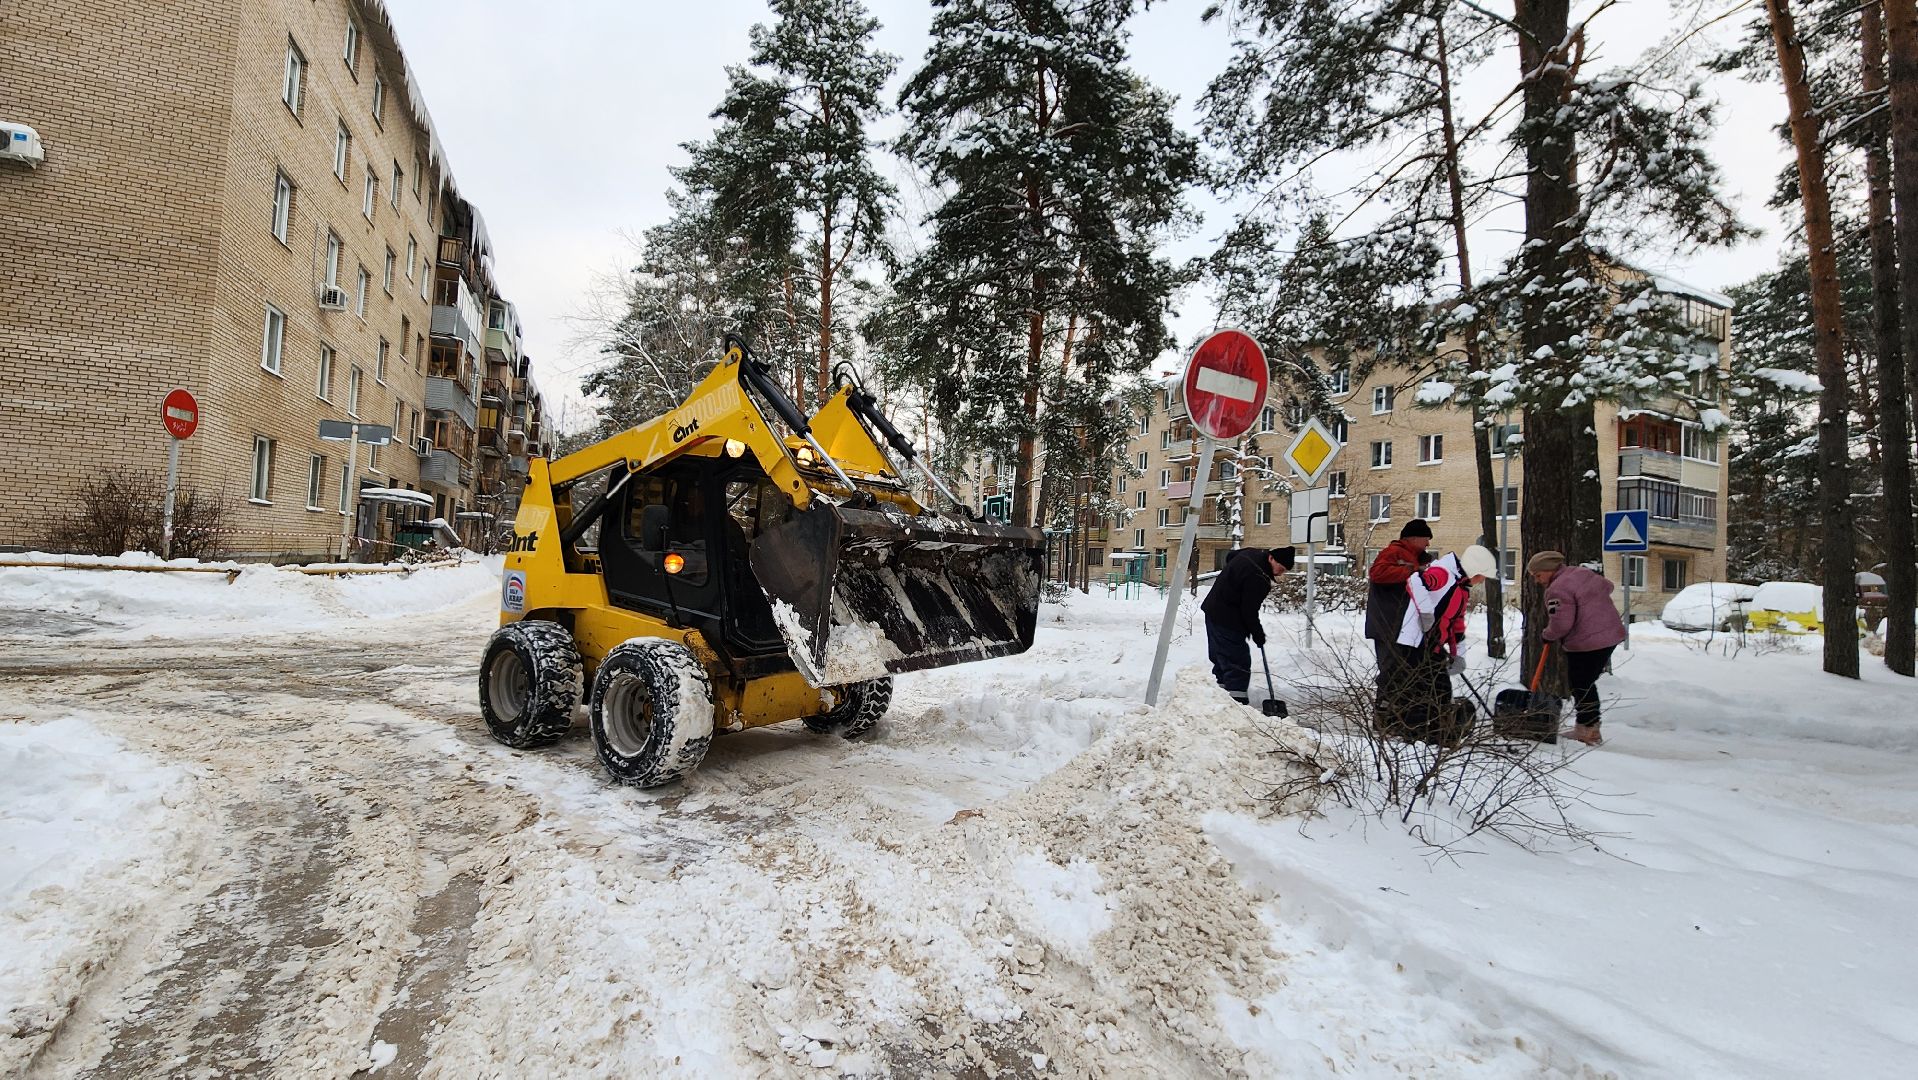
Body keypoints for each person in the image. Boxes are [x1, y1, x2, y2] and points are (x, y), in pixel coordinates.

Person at [1385, 543, 1498, 743]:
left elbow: (1457, 624)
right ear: (1474, 570)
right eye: (1482, 576)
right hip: (1414, 643)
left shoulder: (1462, 588)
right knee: (1421, 690)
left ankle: (1436, 734)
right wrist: (1426, 612)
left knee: (1441, 690)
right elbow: (1415, 580)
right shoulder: (1443, 574)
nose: (1481, 581)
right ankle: (1416, 736)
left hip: (1433, 644)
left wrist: (1458, 653)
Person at [1528, 551, 1628, 746]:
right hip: (1610, 634)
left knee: (1581, 684)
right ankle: (1588, 726)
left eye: (1538, 575)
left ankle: (1588, 730)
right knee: (1585, 682)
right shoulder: (1581, 574)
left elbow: (1561, 623)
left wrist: (1547, 635)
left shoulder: (1557, 590)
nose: (1537, 580)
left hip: (1588, 642)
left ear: (1549, 570)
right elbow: (1607, 586)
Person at [1201, 546, 1297, 704]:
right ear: (1271, 559)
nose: (1281, 573)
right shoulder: (1259, 577)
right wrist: (1258, 633)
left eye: (1284, 570)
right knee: (1237, 663)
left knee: (1221, 659)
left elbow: (1231, 556)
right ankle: (1238, 705)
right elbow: (1249, 610)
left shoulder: (1250, 554)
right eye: (1281, 568)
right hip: (1227, 618)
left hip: (1213, 610)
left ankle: (1221, 700)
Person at [1366, 520, 1434, 721]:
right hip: (1387, 625)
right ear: (1413, 538)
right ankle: (1385, 715)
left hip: (1402, 627)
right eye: (1426, 539)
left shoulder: (1413, 557)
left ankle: (1401, 714)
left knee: (1404, 671)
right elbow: (1377, 573)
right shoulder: (1393, 553)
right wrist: (1411, 571)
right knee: (1391, 671)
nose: (1428, 545)